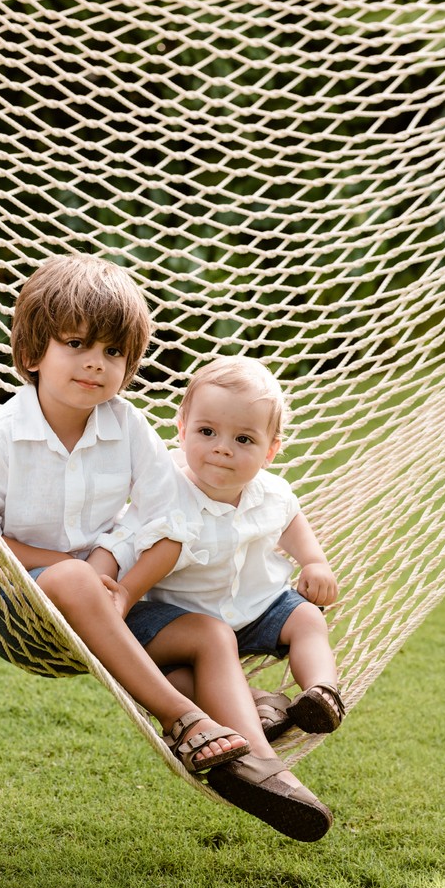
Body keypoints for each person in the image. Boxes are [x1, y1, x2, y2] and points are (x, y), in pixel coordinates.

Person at [0, 255, 331, 841]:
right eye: (76, 343)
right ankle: (184, 719)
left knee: (209, 633)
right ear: (33, 354)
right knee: (76, 580)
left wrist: (119, 579)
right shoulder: (2, 438)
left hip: (114, 597)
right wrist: (75, 567)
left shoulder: (127, 427)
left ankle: (262, 770)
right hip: (21, 605)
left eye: (112, 352)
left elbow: (167, 520)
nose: (95, 363)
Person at [110, 354, 344, 834]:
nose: (222, 449)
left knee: (307, 620)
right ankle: (258, 763)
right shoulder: (165, 489)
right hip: (172, 619)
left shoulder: (271, 493)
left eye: (243, 440)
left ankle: (321, 693)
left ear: (271, 450)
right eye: (207, 432)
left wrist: (315, 562)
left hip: (257, 607)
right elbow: (130, 547)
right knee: (183, 674)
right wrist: (118, 601)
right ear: (181, 428)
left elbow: (292, 524)